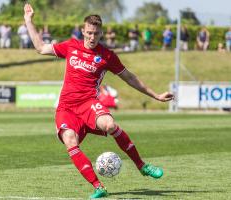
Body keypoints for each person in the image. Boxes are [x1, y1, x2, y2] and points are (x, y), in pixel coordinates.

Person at [24, 3, 174, 199]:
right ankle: (98, 187)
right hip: (66, 107)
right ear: (83, 31)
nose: (92, 37)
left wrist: (155, 95)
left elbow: (129, 77)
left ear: (101, 33)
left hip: (88, 103)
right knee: (70, 140)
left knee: (110, 124)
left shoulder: (107, 56)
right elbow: (40, 47)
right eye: (88, 33)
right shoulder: (71, 46)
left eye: (96, 33)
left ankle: (142, 166)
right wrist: (28, 21)